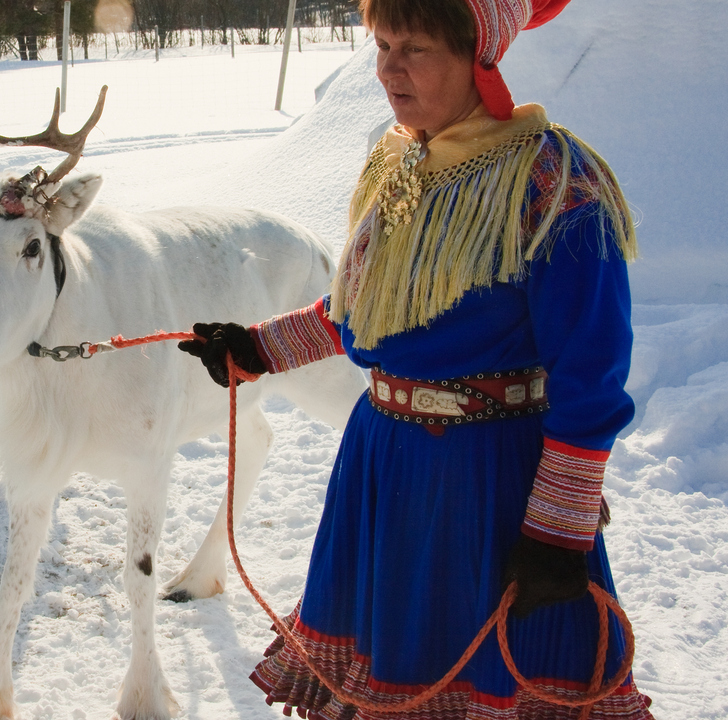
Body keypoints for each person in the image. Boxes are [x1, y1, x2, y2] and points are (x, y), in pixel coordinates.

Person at [179, 0, 655, 717]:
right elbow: (370, 307)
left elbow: (592, 370)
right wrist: (262, 347)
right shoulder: (398, 161)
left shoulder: (552, 181)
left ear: (477, 57)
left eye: (416, 49)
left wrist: (560, 527)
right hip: (383, 463)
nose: (389, 69)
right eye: (382, 45)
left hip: (487, 479)